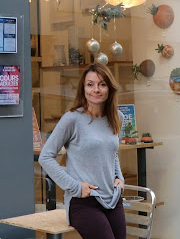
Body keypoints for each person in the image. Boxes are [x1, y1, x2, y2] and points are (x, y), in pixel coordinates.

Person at [38, 63, 126, 239]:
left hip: (112, 199)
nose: (96, 89)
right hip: (83, 202)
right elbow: (45, 157)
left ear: (109, 88)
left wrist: (119, 177)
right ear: (83, 88)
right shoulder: (72, 119)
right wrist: (75, 187)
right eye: (90, 84)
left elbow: (111, 152)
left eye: (102, 84)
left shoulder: (117, 118)